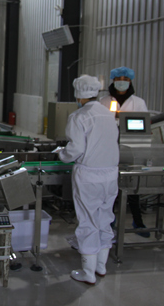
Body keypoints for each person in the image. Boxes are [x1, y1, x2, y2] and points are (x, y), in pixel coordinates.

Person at [56, 75, 119, 285]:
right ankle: (101, 266)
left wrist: (61, 154)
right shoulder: (108, 114)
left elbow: (75, 149)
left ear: (79, 95)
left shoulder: (79, 116)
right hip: (111, 174)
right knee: (104, 219)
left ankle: (88, 272)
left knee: (88, 221)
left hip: (89, 175)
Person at [99, 66, 149, 237]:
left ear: (130, 81)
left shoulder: (138, 103)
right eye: (119, 79)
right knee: (110, 187)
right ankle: (109, 221)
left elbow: (143, 128)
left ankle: (138, 221)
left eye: (125, 79)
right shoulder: (103, 102)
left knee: (132, 186)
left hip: (131, 148)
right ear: (113, 80)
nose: (122, 82)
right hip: (108, 149)